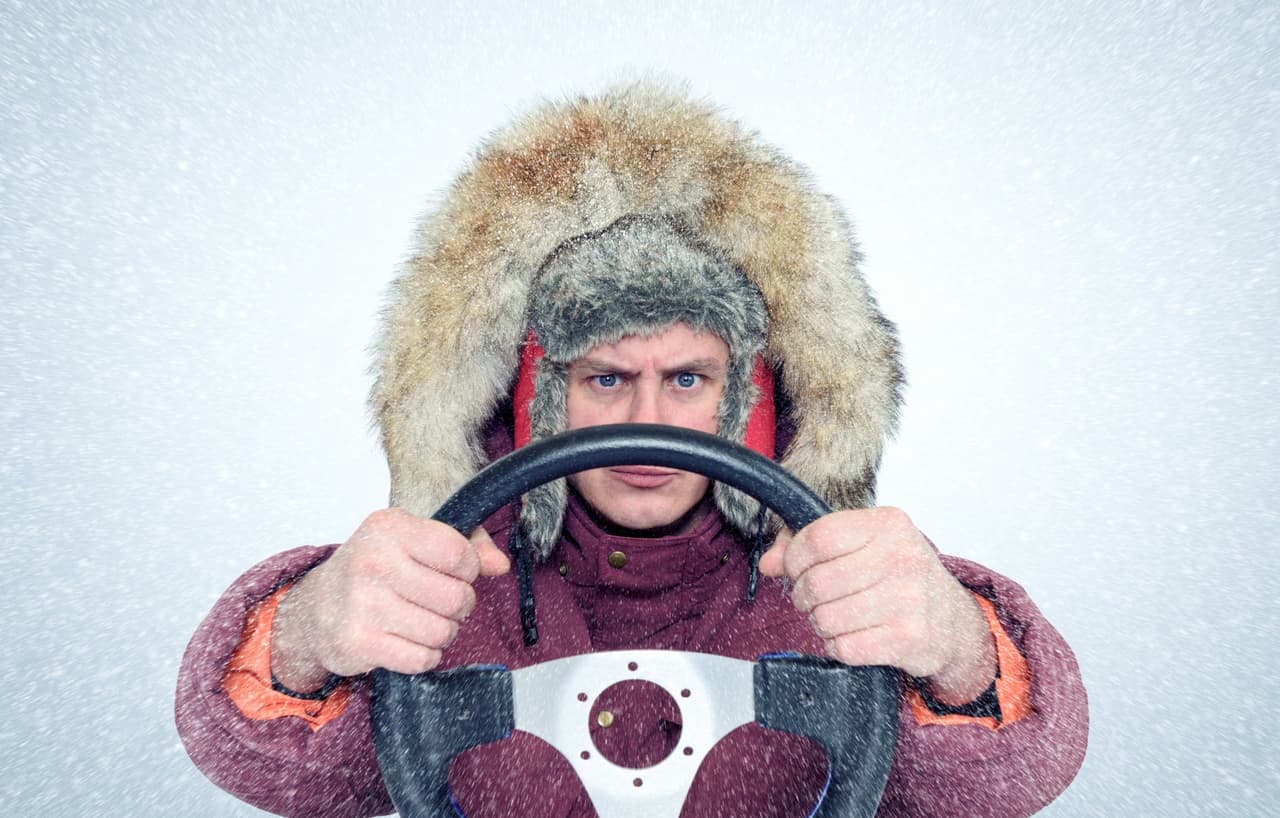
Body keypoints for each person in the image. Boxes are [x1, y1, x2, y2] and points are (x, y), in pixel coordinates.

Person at [176, 84, 1088, 817]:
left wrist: (959, 653)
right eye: (605, 378)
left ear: (752, 397)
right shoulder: (444, 582)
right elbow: (290, 776)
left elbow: (999, 783)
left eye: (688, 379)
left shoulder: (845, 580)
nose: (646, 421)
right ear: (535, 398)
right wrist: (305, 636)